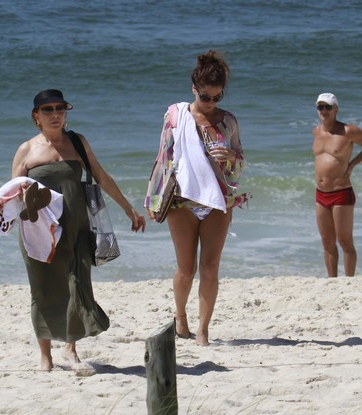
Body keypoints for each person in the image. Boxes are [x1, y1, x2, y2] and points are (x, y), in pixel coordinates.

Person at [11, 89, 146, 372]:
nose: (55, 114)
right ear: (36, 116)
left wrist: (128, 209)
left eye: (60, 108)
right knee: (43, 287)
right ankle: (45, 355)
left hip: (76, 226)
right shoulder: (27, 149)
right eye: (47, 109)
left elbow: (102, 177)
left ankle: (70, 349)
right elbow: (12, 194)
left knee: (77, 282)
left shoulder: (77, 142)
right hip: (38, 230)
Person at [144, 50, 249, 346]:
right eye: (206, 97)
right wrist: (153, 198)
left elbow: (240, 164)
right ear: (194, 89)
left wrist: (231, 156)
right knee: (186, 269)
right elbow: (163, 156)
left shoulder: (228, 122)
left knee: (210, 268)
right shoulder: (176, 116)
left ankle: (203, 329)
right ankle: (181, 316)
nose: (212, 103)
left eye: (217, 97)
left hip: (218, 200)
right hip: (181, 201)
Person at [313, 93, 362, 277]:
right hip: (320, 193)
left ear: (336, 109)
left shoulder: (348, 131)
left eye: (328, 107)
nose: (324, 110)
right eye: (320, 107)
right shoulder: (316, 131)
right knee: (327, 242)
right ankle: (332, 281)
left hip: (341, 192)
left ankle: (349, 280)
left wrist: (353, 164)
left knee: (345, 241)